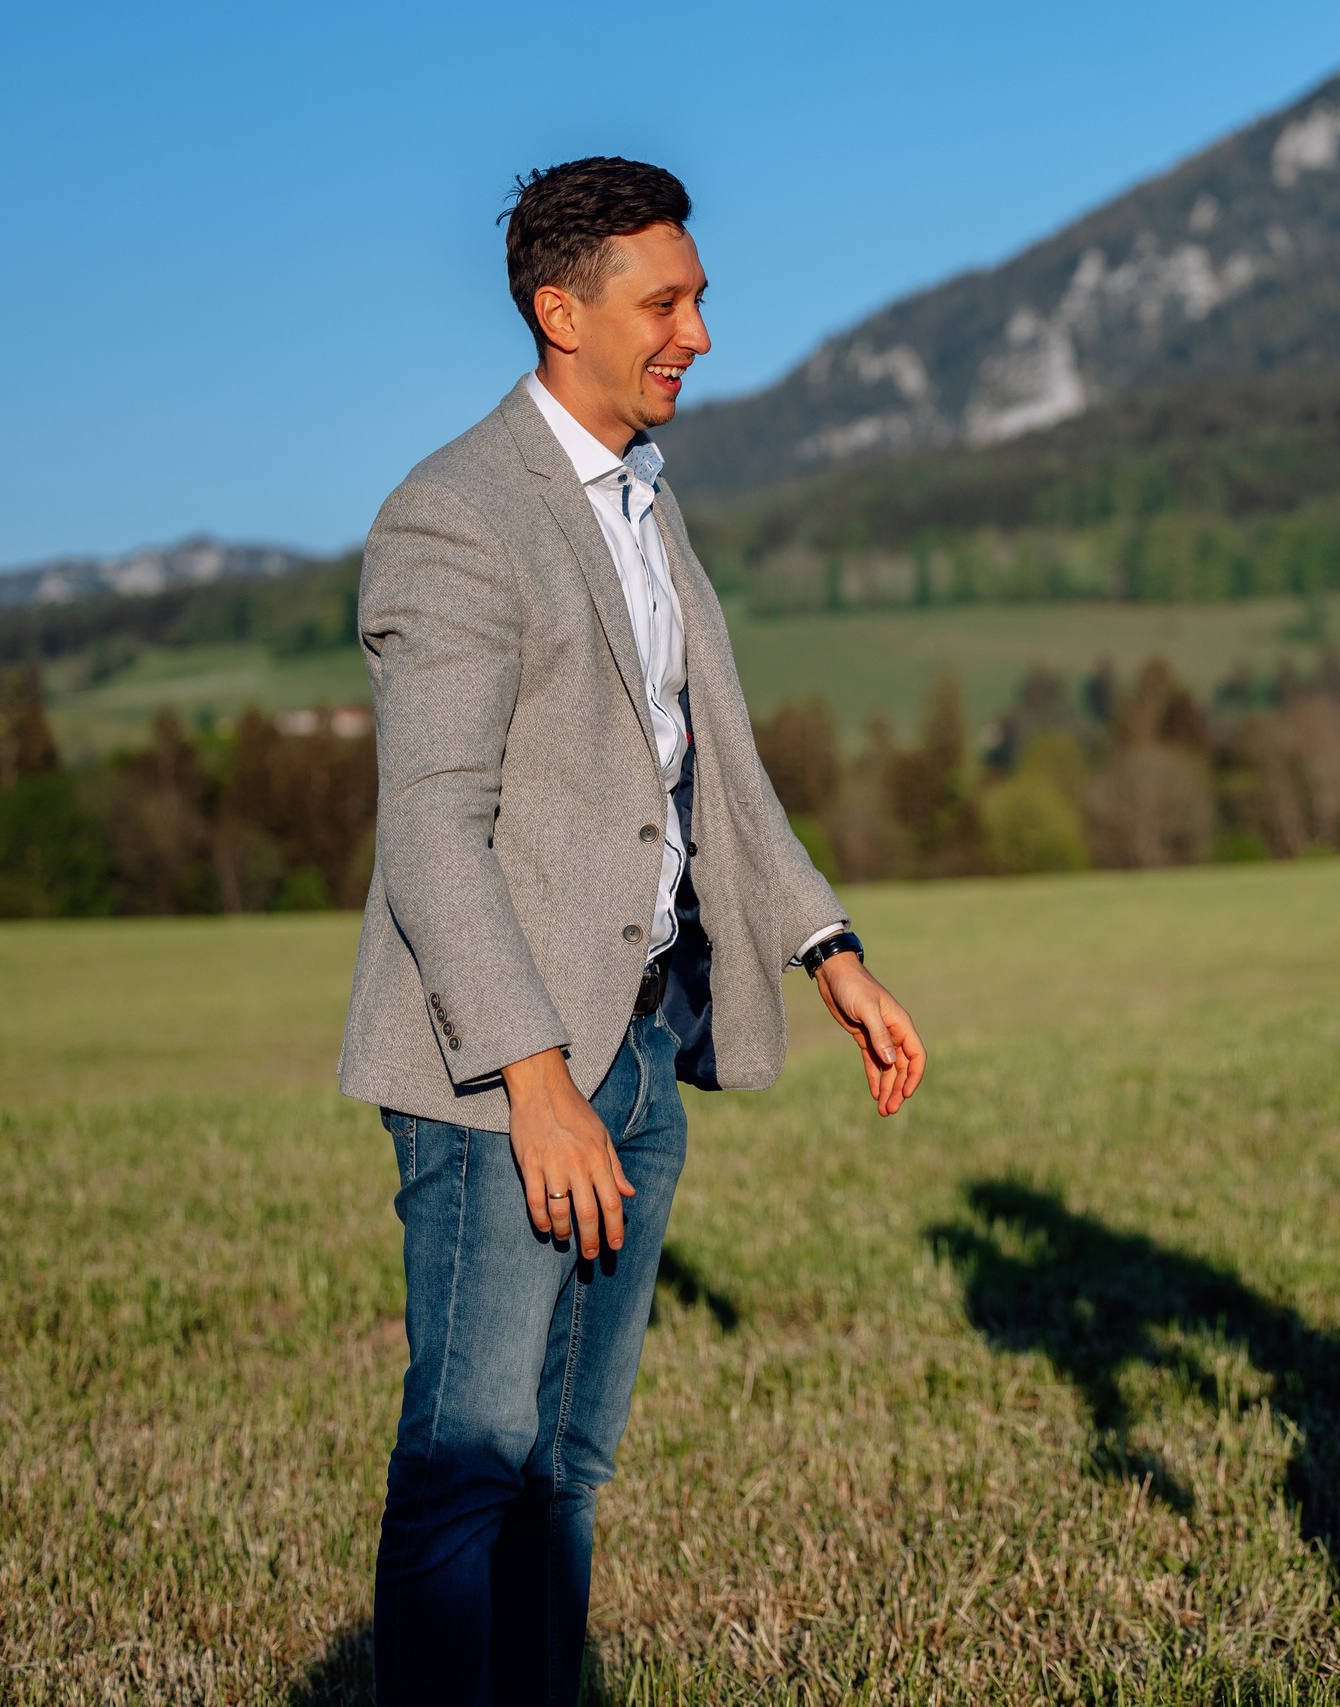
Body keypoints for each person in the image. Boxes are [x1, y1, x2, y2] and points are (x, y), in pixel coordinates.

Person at [337, 156, 928, 1706]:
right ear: (561, 310)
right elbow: (431, 830)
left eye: (699, 299)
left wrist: (827, 948)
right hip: (504, 1077)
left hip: (646, 1048)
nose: (699, 335)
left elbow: (709, 762)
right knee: (472, 1460)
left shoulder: (646, 499)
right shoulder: (456, 516)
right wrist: (536, 1084)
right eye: (666, 304)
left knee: (567, 1467)